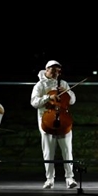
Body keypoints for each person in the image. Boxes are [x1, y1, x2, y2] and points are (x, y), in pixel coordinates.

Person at [30, 60, 78, 189]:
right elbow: (34, 102)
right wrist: (48, 98)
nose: (56, 73)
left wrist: (67, 92)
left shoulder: (63, 83)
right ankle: (49, 179)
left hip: (63, 118)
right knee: (48, 151)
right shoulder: (39, 85)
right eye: (53, 70)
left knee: (67, 150)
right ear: (46, 70)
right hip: (46, 119)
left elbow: (72, 100)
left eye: (58, 70)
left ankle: (69, 178)